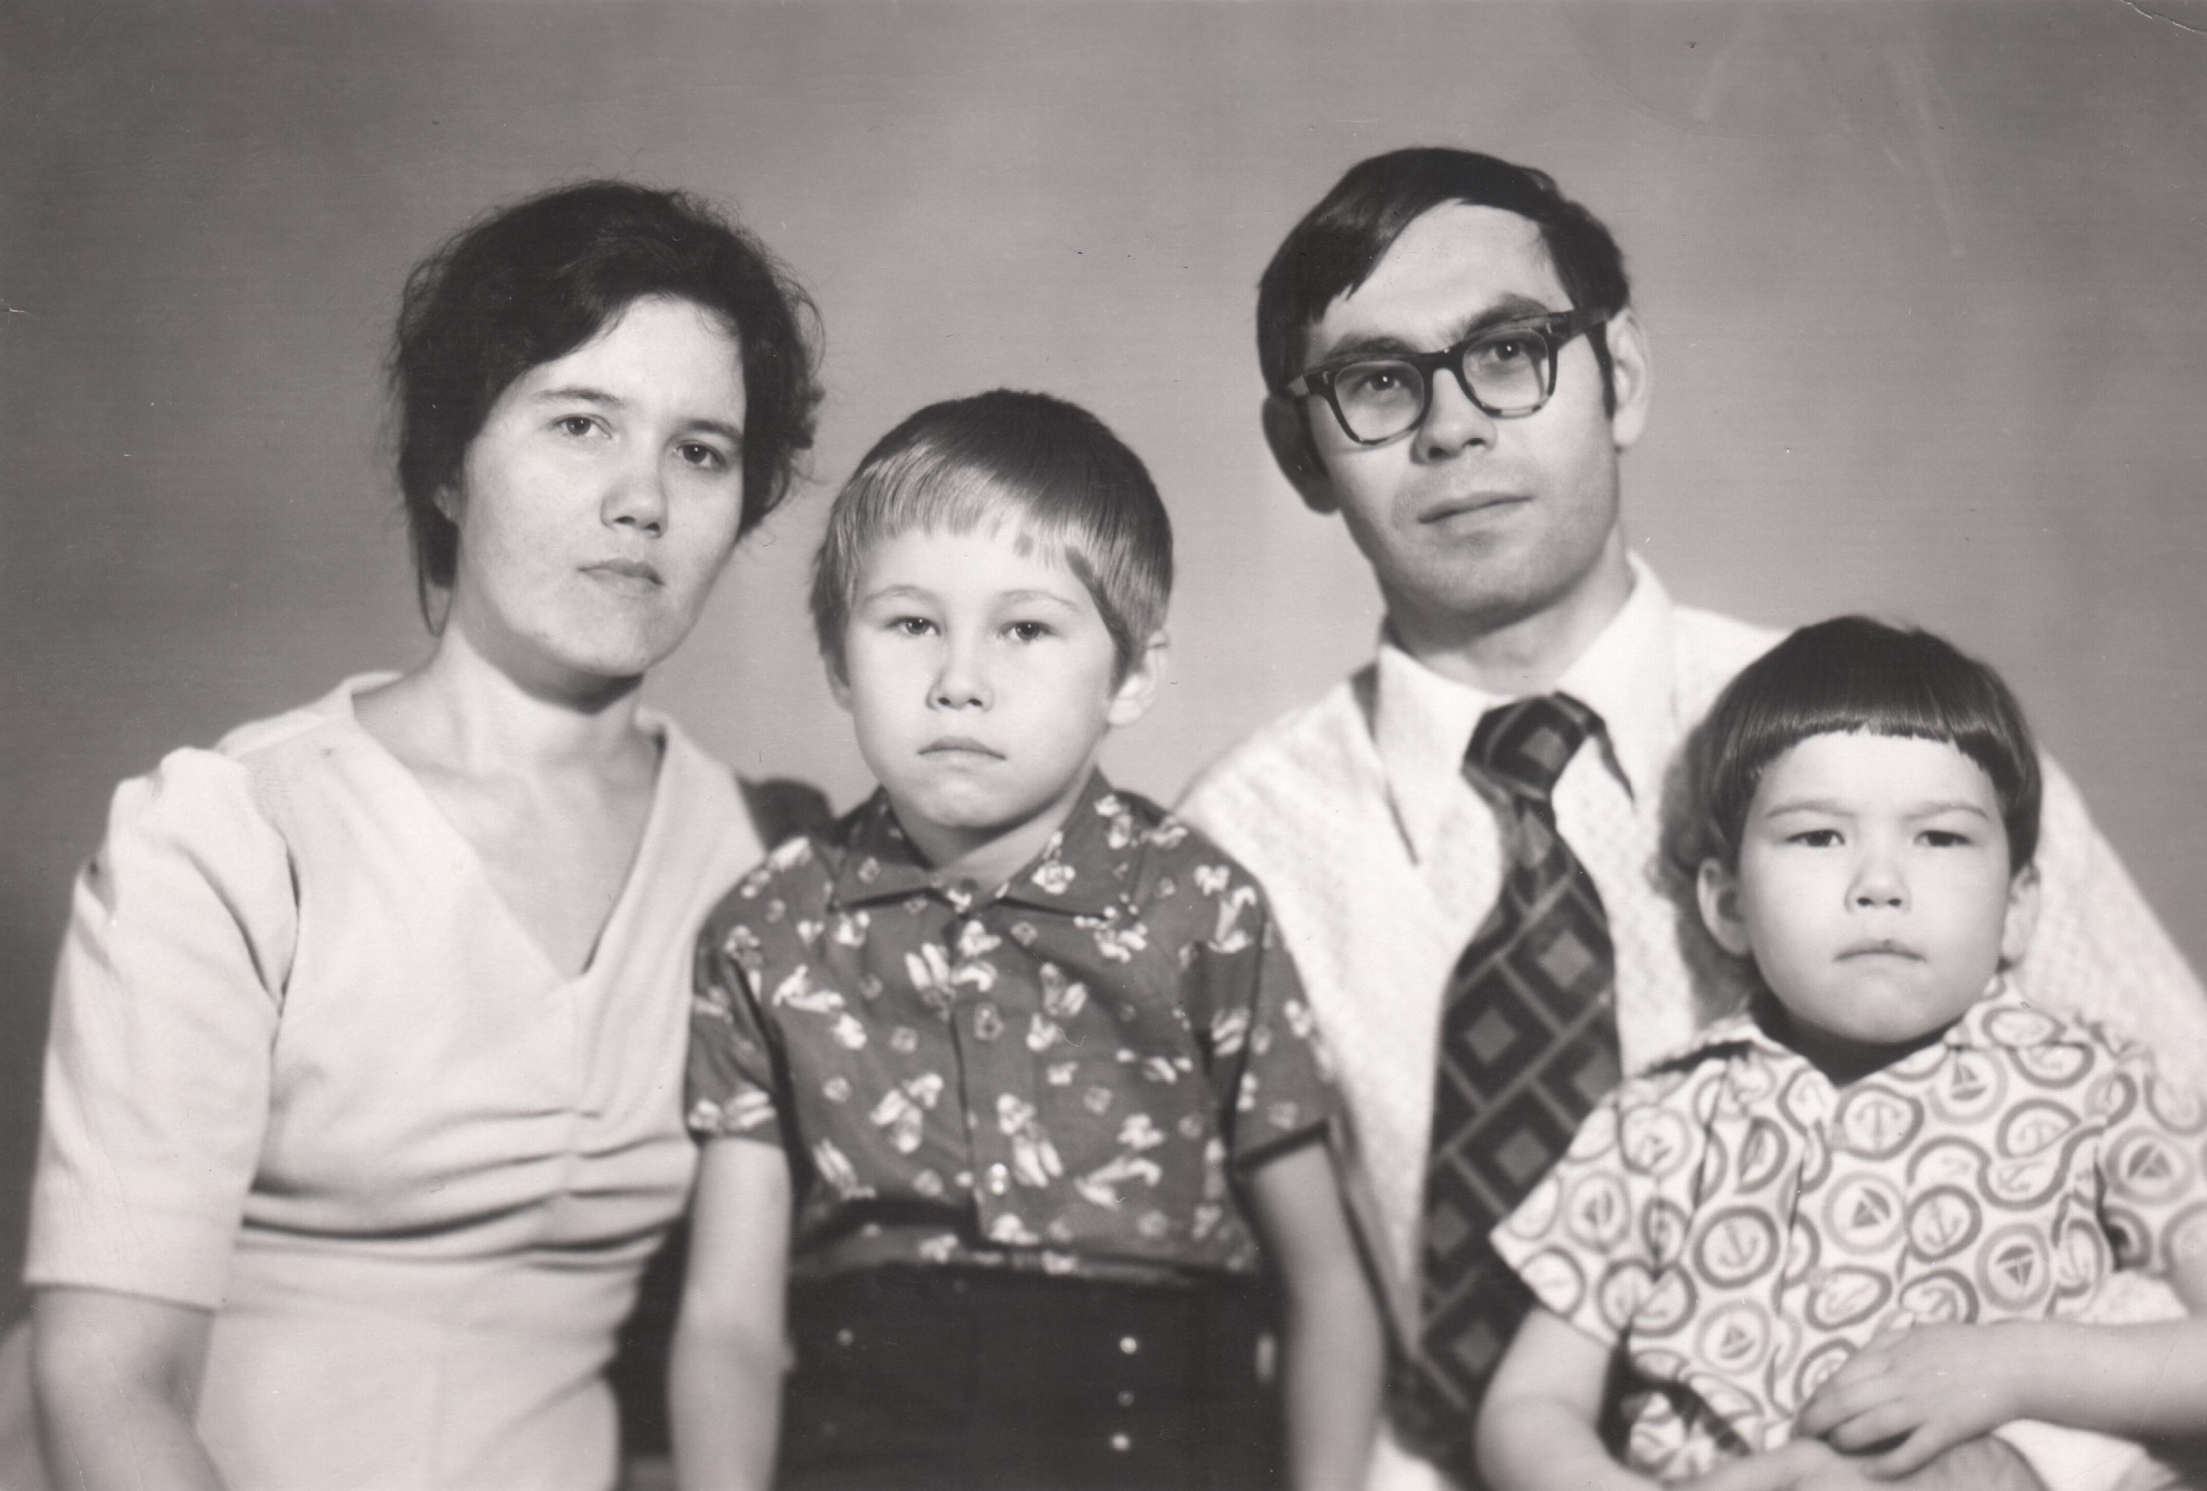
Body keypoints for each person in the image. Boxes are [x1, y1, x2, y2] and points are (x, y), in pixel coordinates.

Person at [1177, 146, 2207, 1491]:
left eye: (1507, 352)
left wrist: (2011, 1448)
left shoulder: (1897, 763)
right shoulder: (1227, 854)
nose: (1451, 427)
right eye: (1375, 383)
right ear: (1298, 453)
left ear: (1621, 374)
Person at [24, 180, 824, 1491]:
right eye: (580, 423)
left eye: (699, 452)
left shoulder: (762, 857)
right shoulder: (232, 834)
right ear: (449, 465)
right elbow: (105, 1382)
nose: (641, 498)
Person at [673, 390, 1384, 1491]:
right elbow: (726, 1317)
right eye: (911, 625)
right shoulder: (768, 932)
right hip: (869, 1439)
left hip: (1164, 1438)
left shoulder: (1201, 910)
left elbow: (1327, 1284)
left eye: (1025, 629)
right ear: (837, 659)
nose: (959, 681)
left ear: (1131, 676)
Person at [1478, 617, 2207, 1490]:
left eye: (1939, 837)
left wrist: (2015, 1366)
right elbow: (1529, 1404)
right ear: (1727, 904)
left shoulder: (2094, 1086)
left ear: (2017, 907)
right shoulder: (1659, 1124)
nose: (1879, 884)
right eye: (1818, 836)